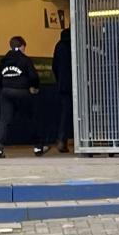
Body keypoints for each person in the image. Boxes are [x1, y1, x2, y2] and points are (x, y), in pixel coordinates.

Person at [0, 35, 38, 157]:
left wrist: (4, 87)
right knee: (30, 118)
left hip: (6, 92)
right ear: (22, 46)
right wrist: (34, 87)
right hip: (22, 92)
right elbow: (33, 76)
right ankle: (38, 146)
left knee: (4, 120)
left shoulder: (4, 60)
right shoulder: (25, 60)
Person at [49, 22, 73, 152]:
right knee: (85, 113)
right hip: (78, 84)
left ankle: (62, 140)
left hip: (63, 85)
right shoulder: (77, 43)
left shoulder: (59, 45)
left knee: (65, 113)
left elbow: (54, 66)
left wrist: (60, 80)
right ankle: (89, 139)